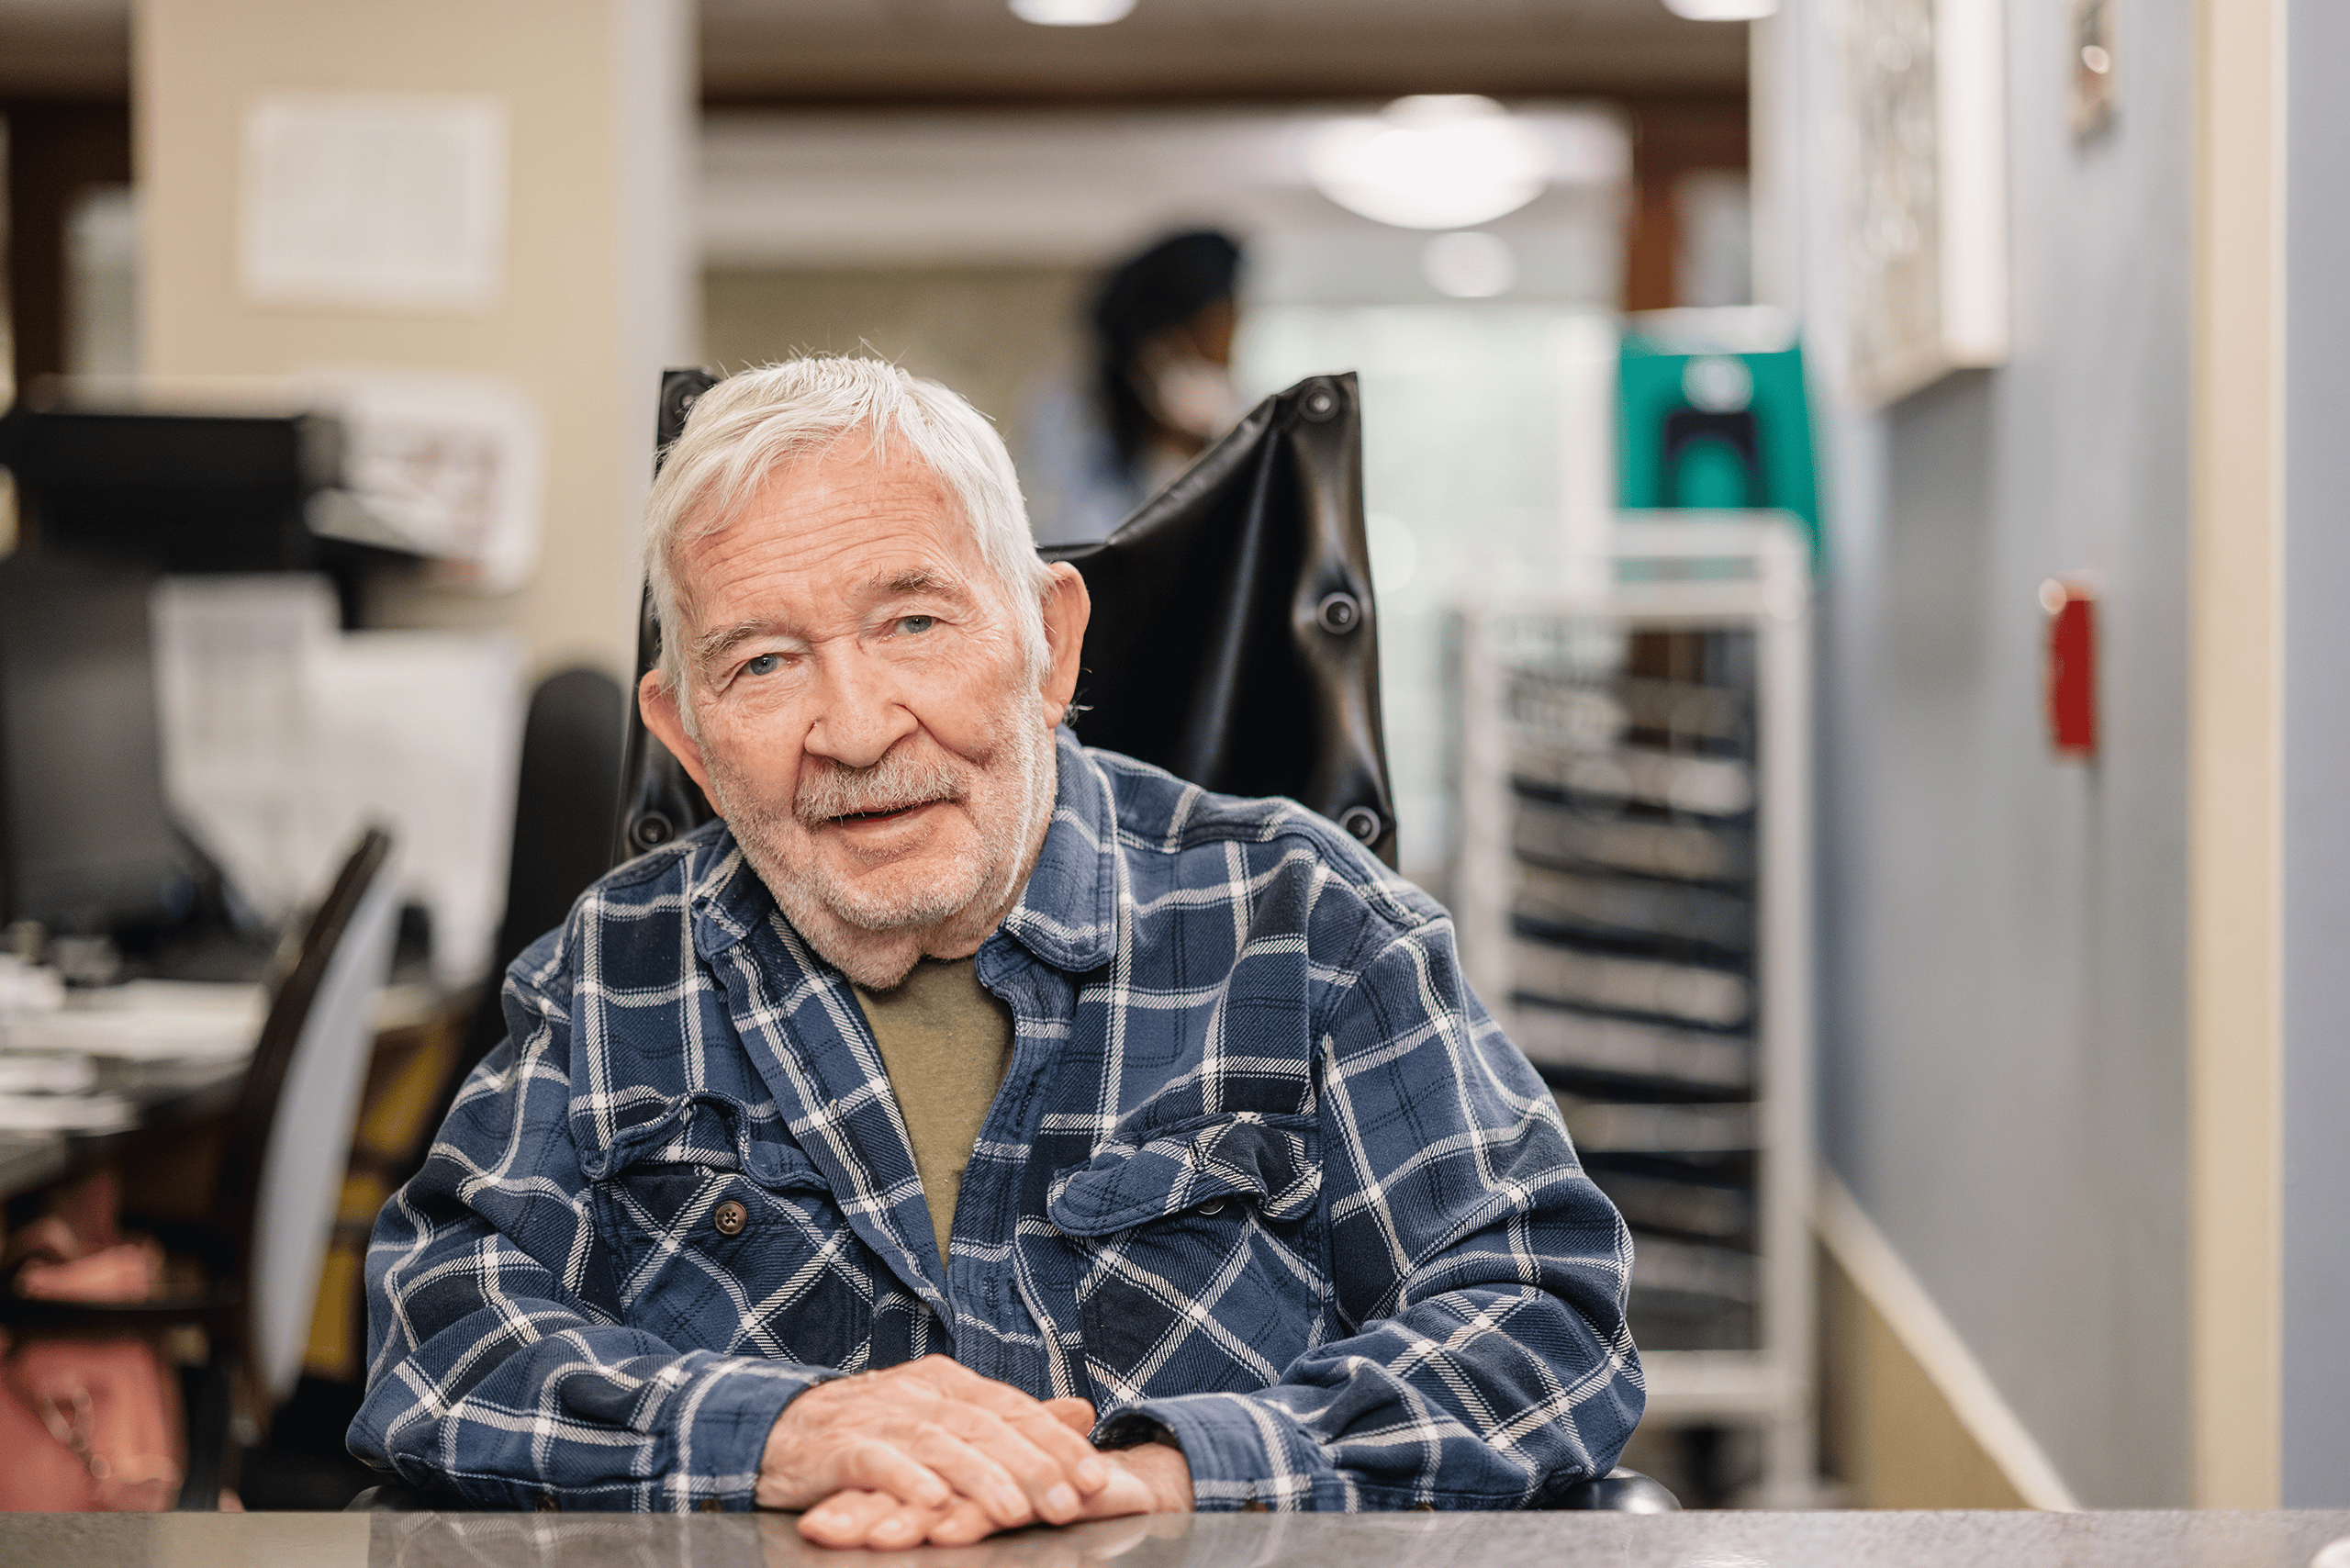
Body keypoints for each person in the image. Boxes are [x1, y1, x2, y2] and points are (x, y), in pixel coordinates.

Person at [351, 357, 1642, 1545]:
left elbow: (1542, 1322)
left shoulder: (1311, 926)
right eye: (762, 662)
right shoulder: (616, 967)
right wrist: (785, 1433)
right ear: (686, 734)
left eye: (914, 624)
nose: (855, 730)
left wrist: (1160, 1479)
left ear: (1048, 642)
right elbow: (438, 1332)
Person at [1024, 230, 1246, 547]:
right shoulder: (1064, 414)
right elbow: (1069, 543)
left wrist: (1211, 453)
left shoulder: (1238, 426)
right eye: (1213, 335)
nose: (1226, 355)